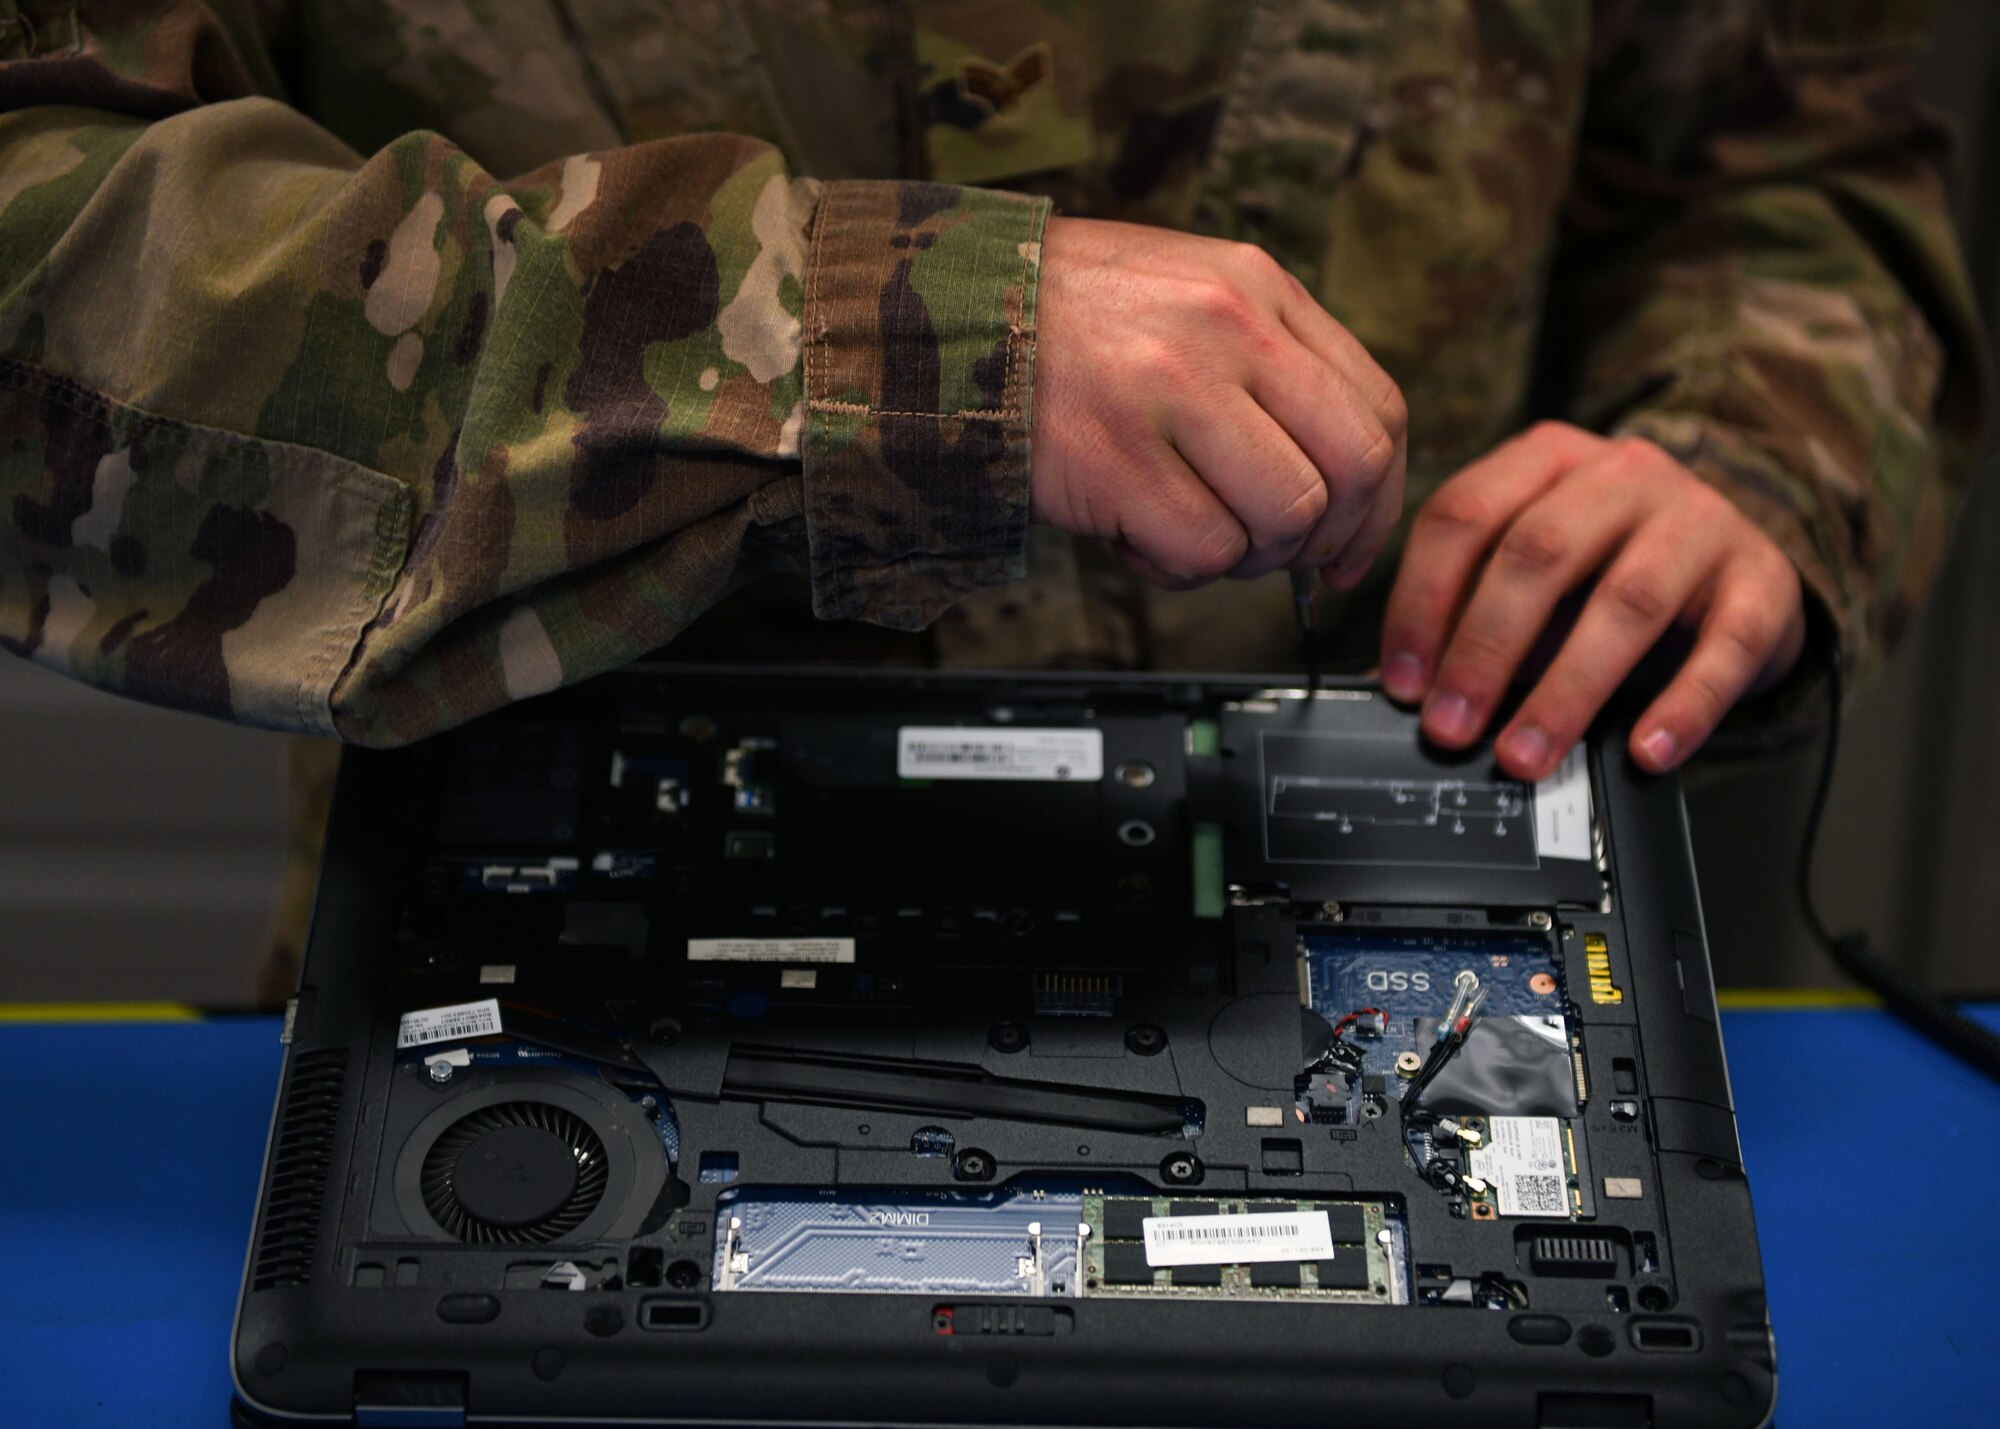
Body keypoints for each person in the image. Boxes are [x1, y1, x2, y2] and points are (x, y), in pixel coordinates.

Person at [0, 3, 1984, 1003]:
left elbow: (1781, 171)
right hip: (536, 951)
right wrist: (852, 342)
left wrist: (1742, 452)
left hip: (1404, 916)